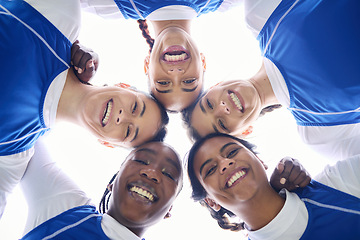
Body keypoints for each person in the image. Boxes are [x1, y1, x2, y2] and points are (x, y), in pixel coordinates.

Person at [0, 0, 168, 219]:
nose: (122, 117)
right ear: (123, 86)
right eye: (135, 107)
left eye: (128, 131)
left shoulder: (13, 151)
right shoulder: (60, 18)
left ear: (108, 143)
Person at [183, 0, 360, 161]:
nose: (222, 107)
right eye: (221, 124)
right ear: (244, 132)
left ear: (214, 85)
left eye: (209, 104)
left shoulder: (261, 13)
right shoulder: (320, 133)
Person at [187, 133, 360, 239]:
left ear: (260, 160)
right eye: (210, 170)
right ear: (211, 202)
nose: (225, 163)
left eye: (232, 152)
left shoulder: (337, 184)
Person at [80, 0, 241, 112]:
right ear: (203, 62)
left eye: (163, 82)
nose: (176, 72)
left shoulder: (101, 4)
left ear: (147, 65)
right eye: (189, 80)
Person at [19, 138, 183, 239]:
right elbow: (23, 127)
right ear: (112, 183)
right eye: (141, 161)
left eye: (168, 174)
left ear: (169, 210)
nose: (151, 173)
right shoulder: (65, 207)